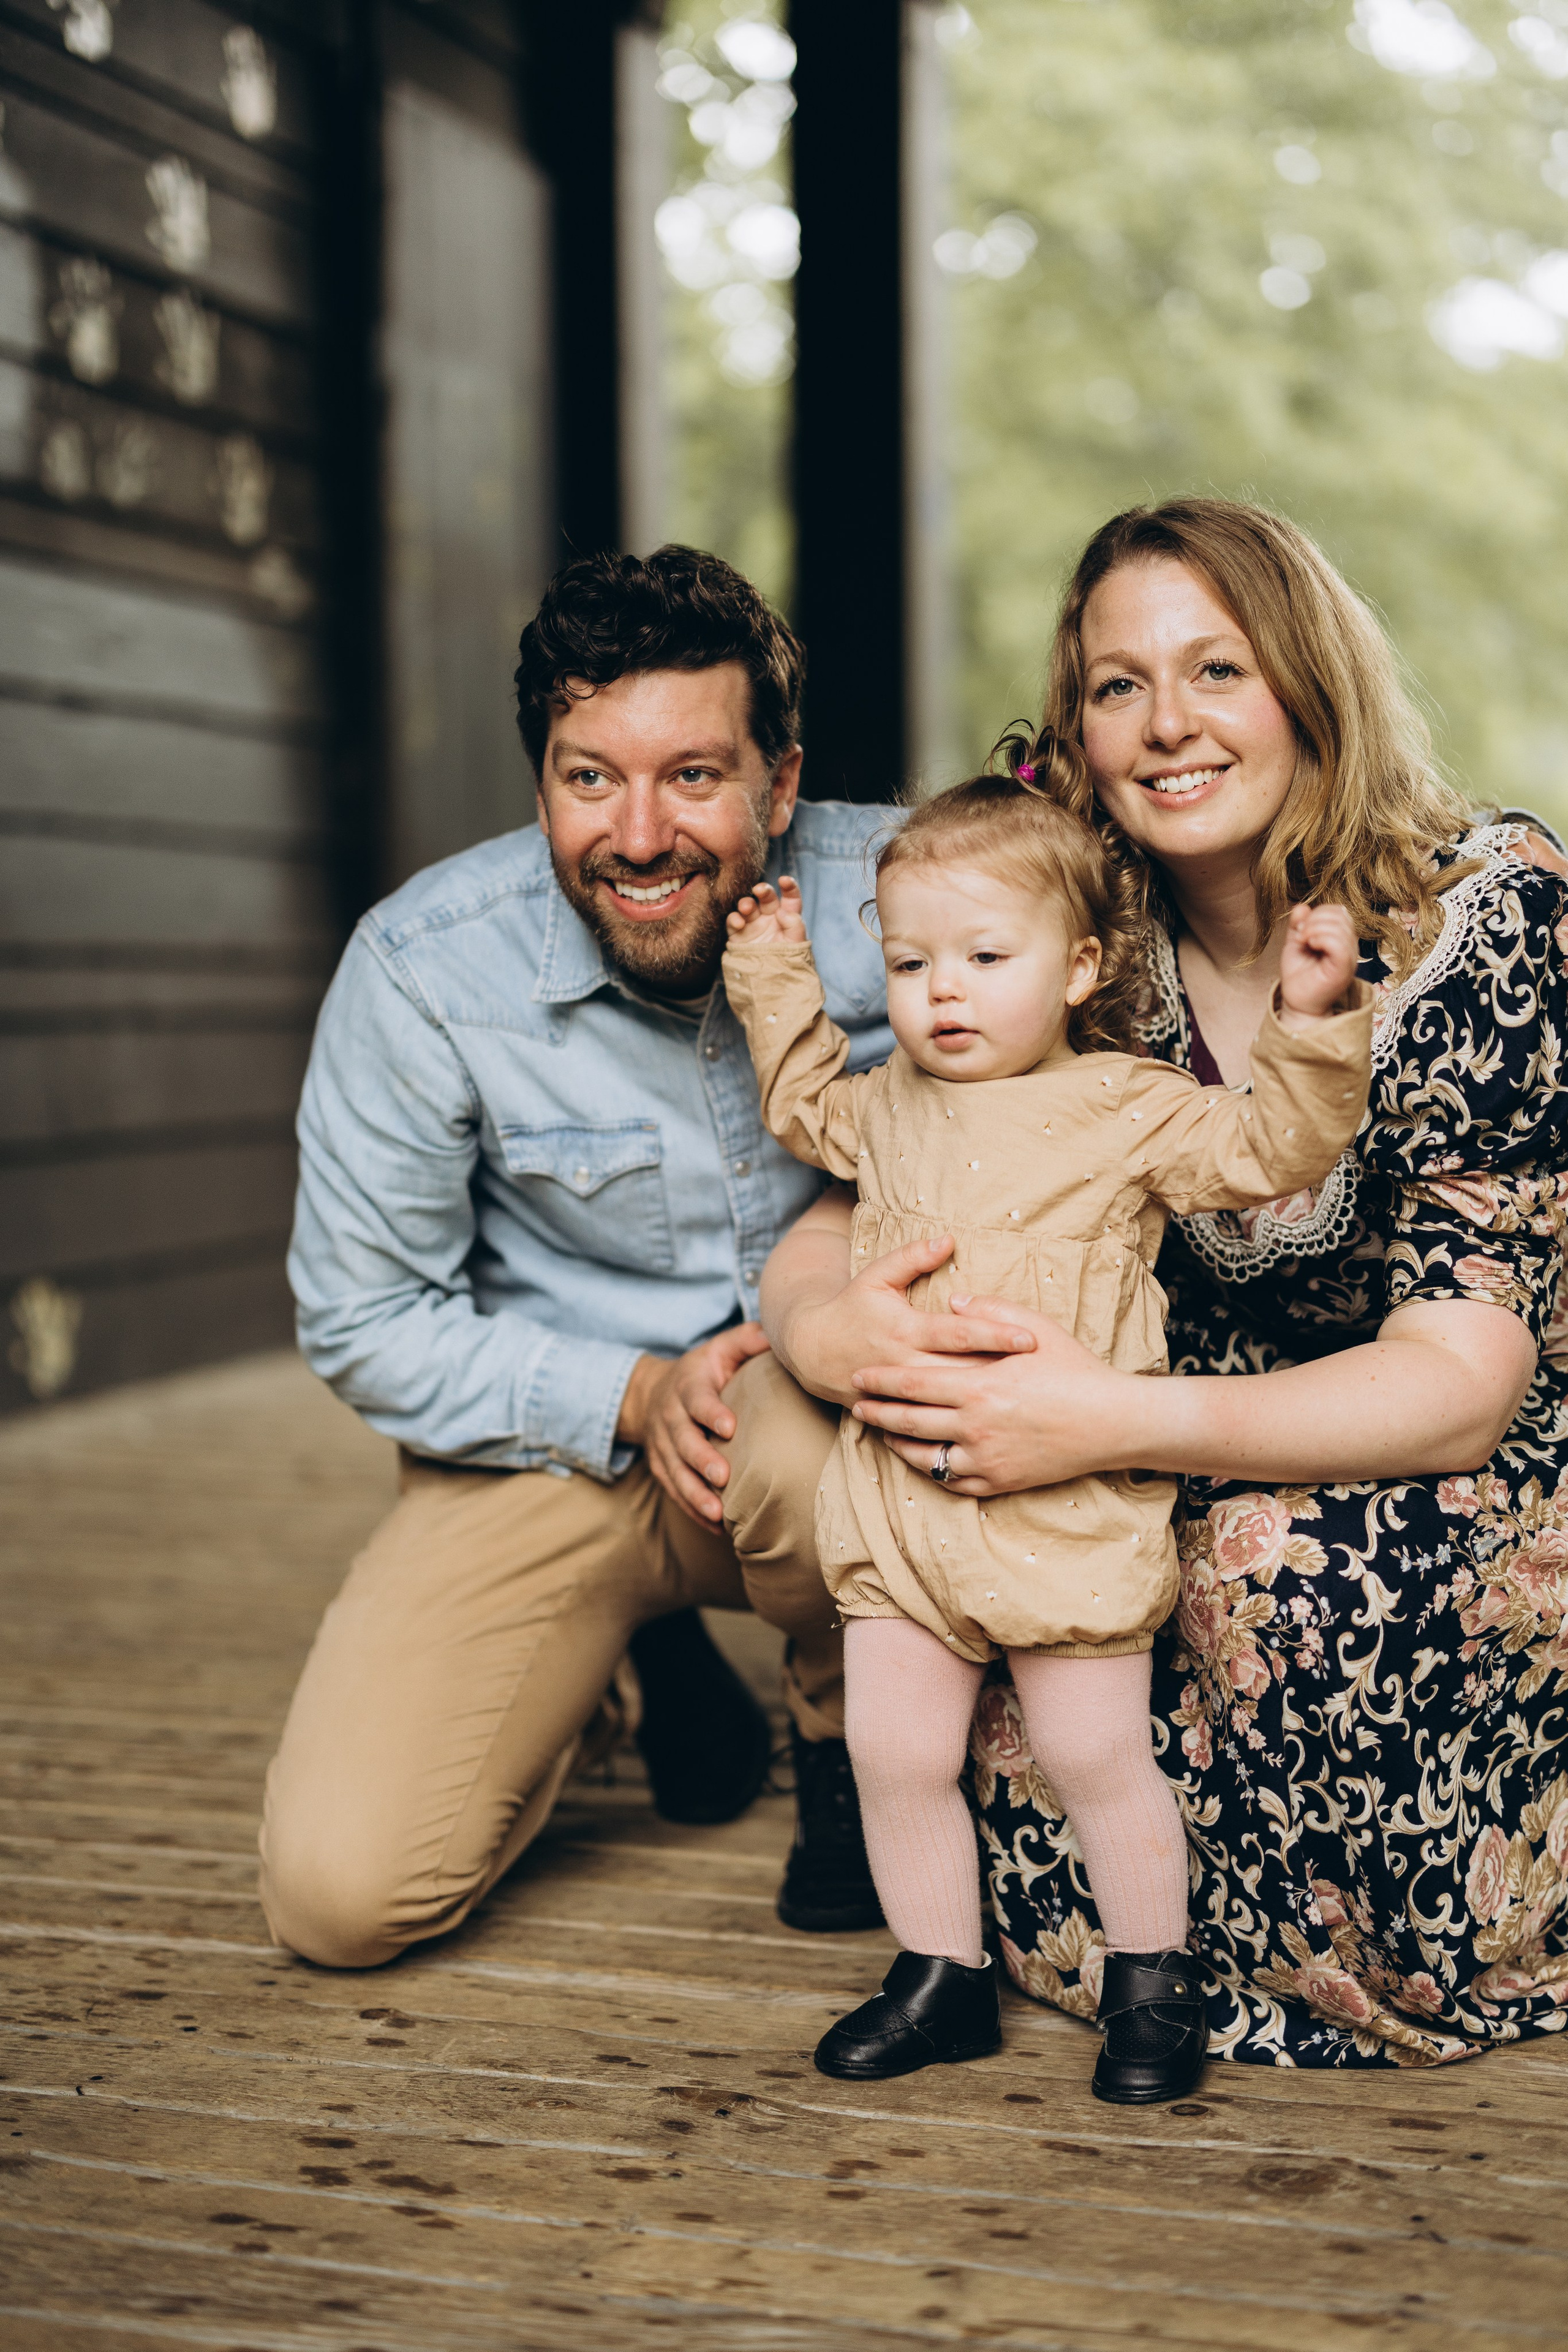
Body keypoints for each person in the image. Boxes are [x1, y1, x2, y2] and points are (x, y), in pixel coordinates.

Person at [758, 497, 1568, 2068]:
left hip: (1431, 1426)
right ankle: (960, 1957)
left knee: (1262, 1579)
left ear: (1307, 683)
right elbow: (857, 1174)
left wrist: (1098, 1421)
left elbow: (1466, 1384)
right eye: (1117, 685)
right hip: (1104, 1413)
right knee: (915, 1547)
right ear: (1073, 724)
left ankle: (1204, 1971)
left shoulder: (1477, 910)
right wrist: (831, 1330)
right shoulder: (1065, 938)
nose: (1166, 724)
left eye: (1216, 668)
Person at [258, 544, 999, 1966]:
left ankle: (837, 1735)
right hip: (556, 1449)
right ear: (542, 779)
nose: (639, 833)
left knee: (791, 1421)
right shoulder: (424, 969)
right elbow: (363, 1316)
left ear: (780, 785)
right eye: (589, 776)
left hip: (828, 1443)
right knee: (339, 1898)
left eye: (695, 778)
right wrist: (630, 1394)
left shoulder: (917, 899)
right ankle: (636, 1666)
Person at [722, 782, 1373, 2098]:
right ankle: (937, 1977)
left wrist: (1309, 1019)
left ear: (1078, 967)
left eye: (980, 958)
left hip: (1065, 1505)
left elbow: (1269, 1147)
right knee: (893, 1754)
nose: (939, 993)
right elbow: (800, 1106)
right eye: (907, 963)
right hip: (904, 1504)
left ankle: (1151, 1979)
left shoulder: (1129, 1106)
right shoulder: (886, 1098)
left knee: (1093, 1755)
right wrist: (771, 970)